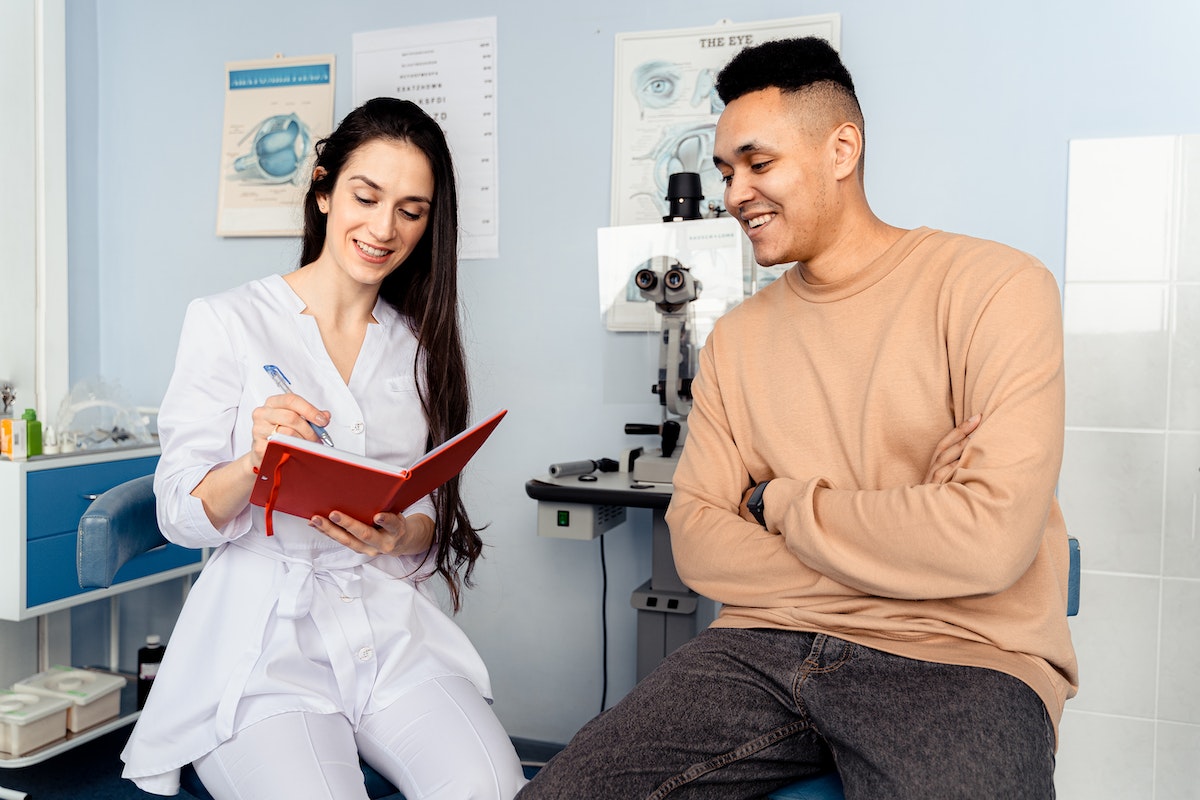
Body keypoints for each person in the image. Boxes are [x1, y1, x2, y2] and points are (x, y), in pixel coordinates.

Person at [520, 37, 1076, 799]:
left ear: (841, 148)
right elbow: (699, 542)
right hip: (760, 649)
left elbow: (988, 544)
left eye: (758, 163)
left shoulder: (996, 288)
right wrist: (914, 548)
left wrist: (773, 503)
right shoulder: (739, 338)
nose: (735, 193)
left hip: (963, 653)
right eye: (724, 172)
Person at [121, 97, 527, 799]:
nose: (383, 227)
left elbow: (430, 518)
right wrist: (253, 462)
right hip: (264, 645)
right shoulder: (228, 322)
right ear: (323, 188)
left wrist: (401, 530)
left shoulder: (417, 346)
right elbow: (178, 515)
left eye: (411, 209)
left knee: (491, 788)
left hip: (389, 629)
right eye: (366, 196)